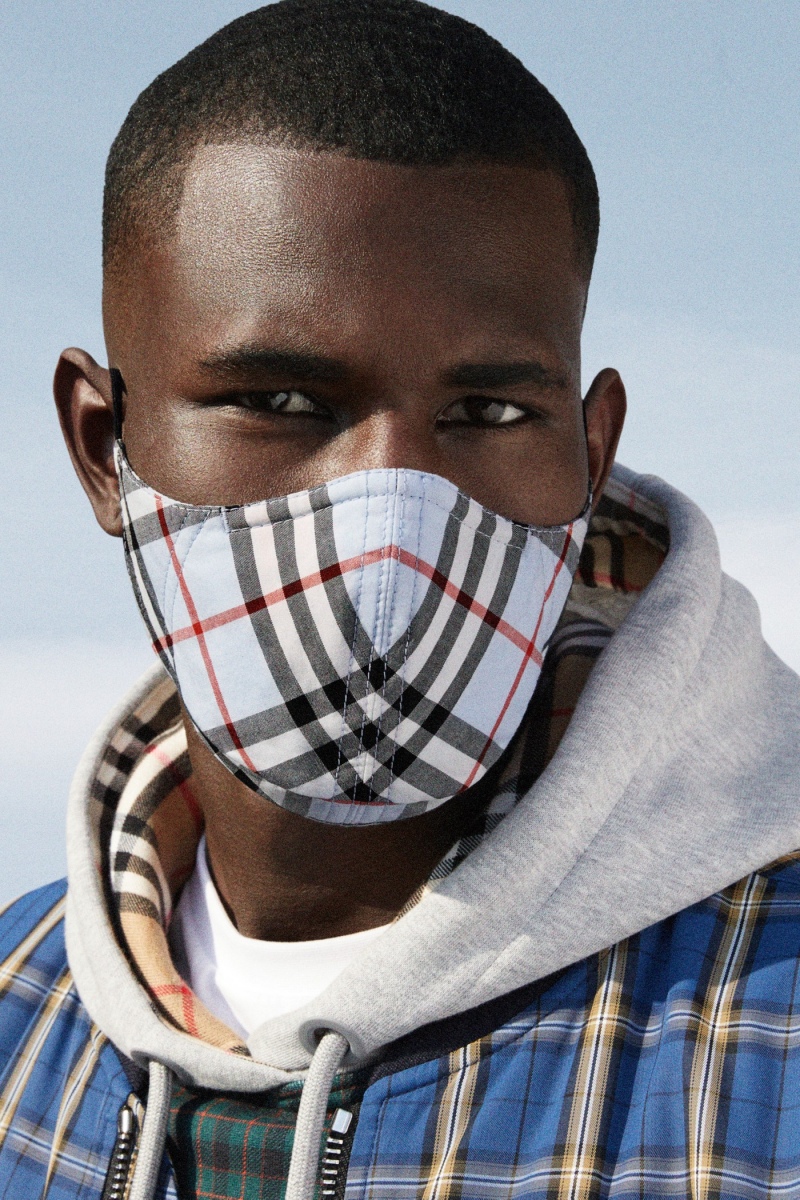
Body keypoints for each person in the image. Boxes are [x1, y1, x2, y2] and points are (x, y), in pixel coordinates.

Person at [1, 1, 798, 1197]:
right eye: (279, 402)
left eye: (486, 413)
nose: (390, 518)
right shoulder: (19, 1012)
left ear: (587, 457)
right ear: (103, 446)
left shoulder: (769, 1014)